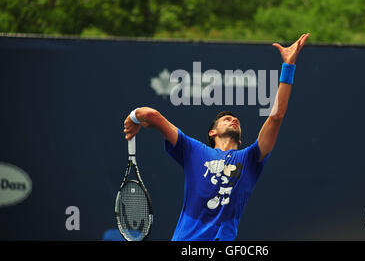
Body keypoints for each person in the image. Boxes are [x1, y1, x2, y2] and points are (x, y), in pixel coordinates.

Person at [123, 33, 310, 241]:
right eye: (226, 119)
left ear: (240, 138)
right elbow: (151, 115)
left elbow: (276, 116)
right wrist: (134, 117)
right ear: (212, 132)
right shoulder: (193, 151)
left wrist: (288, 66)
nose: (233, 120)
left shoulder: (250, 159)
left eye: (236, 120)